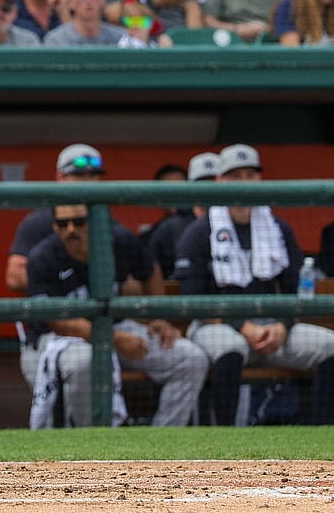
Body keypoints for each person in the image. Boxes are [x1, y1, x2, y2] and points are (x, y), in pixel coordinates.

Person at [174, 143, 334, 425]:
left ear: (259, 179)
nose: (244, 183)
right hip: (216, 325)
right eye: (236, 176)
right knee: (230, 346)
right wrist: (242, 326)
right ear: (220, 182)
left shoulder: (278, 228)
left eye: (250, 175)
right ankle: (225, 439)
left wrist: (282, 327)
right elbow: (193, 300)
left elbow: (294, 290)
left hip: (272, 327)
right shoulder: (198, 232)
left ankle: (319, 432)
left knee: (329, 345)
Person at [24, 202, 207, 429]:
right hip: (60, 340)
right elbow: (58, 322)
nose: (71, 229)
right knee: (84, 363)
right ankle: (90, 444)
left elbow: (151, 272)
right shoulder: (42, 257)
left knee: (191, 359)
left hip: (117, 328)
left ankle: (163, 441)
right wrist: (114, 339)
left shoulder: (119, 241)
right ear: (55, 227)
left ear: (95, 223)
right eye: (63, 224)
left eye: (79, 222)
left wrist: (157, 316)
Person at [5, 142, 107, 293]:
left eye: (93, 175)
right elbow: (14, 278)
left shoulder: (105, 220)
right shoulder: (39, 222)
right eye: (79, 175)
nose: (87, 181)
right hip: (51, 305)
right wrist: (63, 277)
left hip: (95, 307)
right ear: (60, 177)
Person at [146, 151, 218, 280]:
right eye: (202, 182)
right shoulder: (170, 227)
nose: (209, 188)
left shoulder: (242, 221)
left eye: (214, 182)